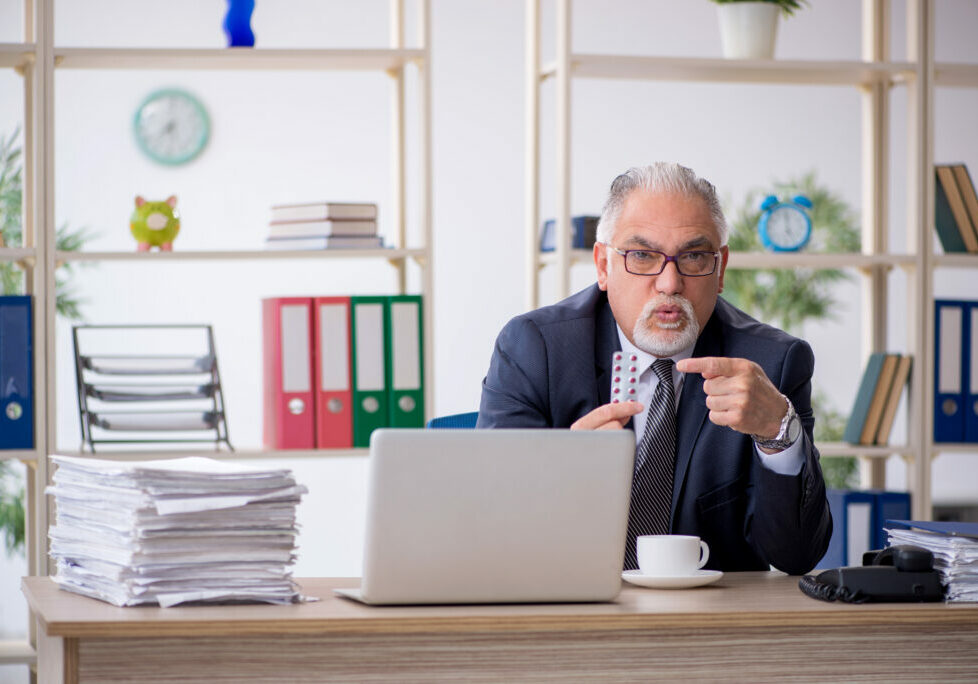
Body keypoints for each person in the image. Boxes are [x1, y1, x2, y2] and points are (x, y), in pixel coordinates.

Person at [477, 163, 832, 574]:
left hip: (711, 624)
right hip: (569, 607)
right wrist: (560, 474)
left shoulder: (771, 363)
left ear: (720, 269)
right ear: (604, 266)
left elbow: (797, 557)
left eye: (694, 256)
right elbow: (492, 529)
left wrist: (779, 435)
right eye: (642, 256)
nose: (669, 283)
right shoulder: (534, 348)